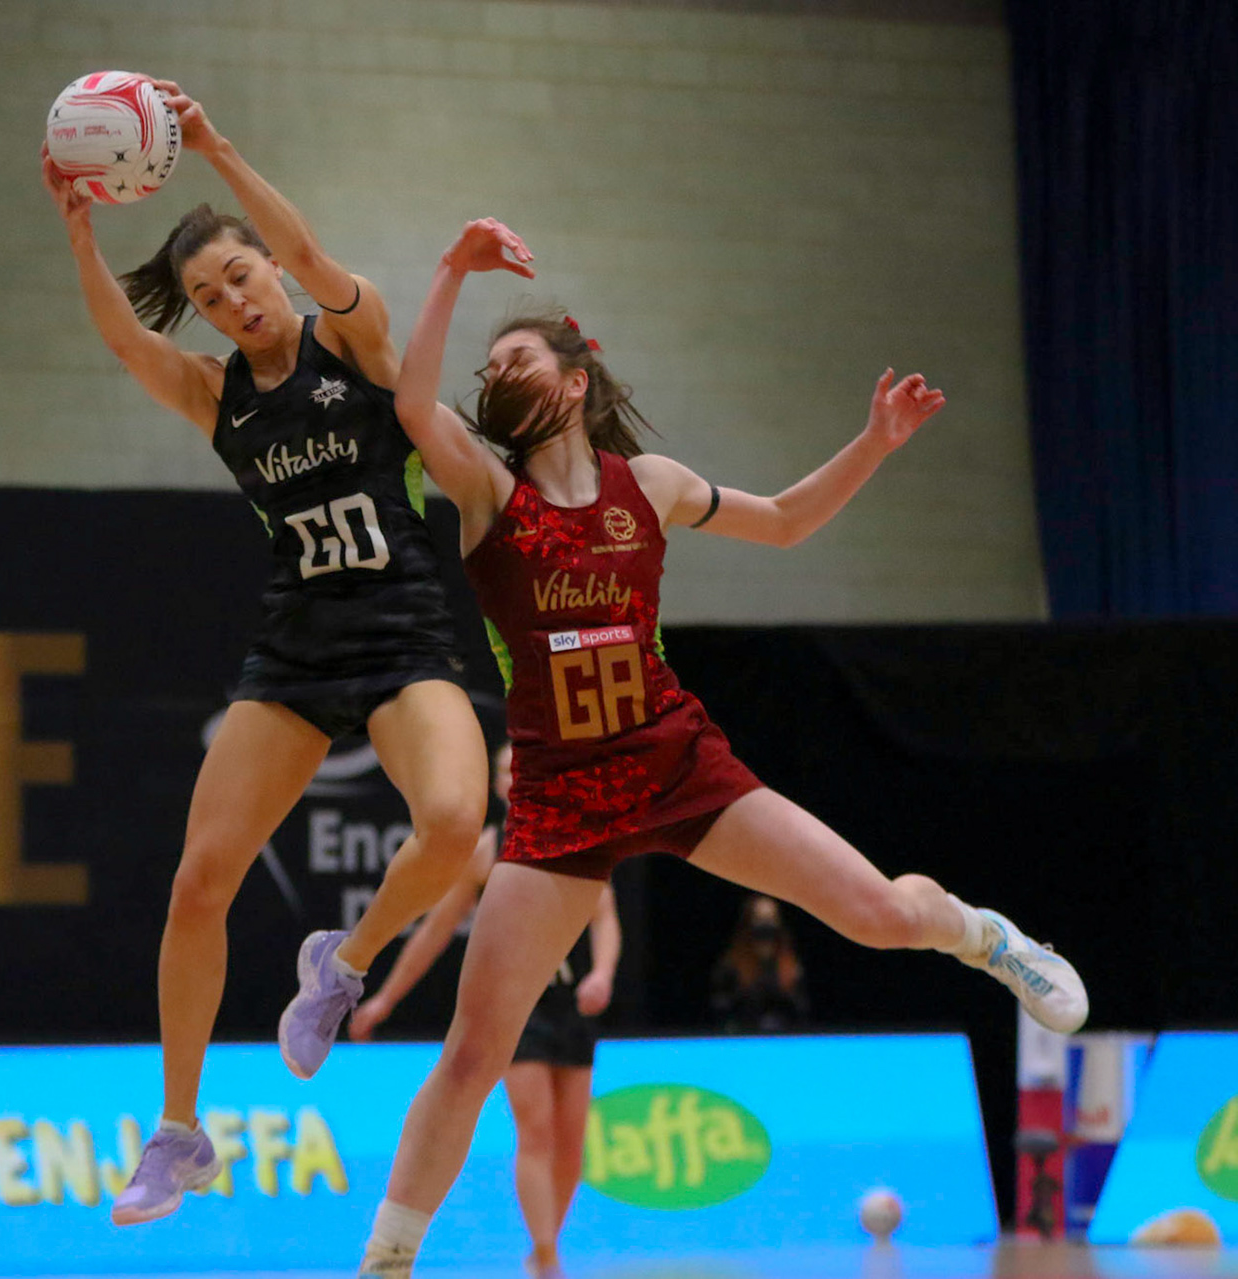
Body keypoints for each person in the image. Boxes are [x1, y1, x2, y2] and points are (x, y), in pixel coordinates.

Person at [352, 218, 1089, 1277]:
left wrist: (874, 446)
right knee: (473, 1050)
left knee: (881, 914)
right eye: (489, 366)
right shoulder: (487, 492)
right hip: (561, 795)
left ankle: (984, 935)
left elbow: (785, 521)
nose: (495, 375)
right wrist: (449, 274)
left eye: (515, 358)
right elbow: (416, 407)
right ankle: (386, 1257)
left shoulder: (644, 485)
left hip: (676, 761)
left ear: (574, 370)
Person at [39, 80, 487, 1226]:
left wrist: (216, 149)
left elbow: (307, 243)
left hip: (402, 631)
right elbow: (120, 337)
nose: (229, 299)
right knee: (199, 882)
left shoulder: (356, 333)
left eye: (238, 276)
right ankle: (179, 1133)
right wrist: (79, 226)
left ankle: (342, 965)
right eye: (205, 294)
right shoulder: (215, 395)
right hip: (295, 647)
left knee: (451, 824)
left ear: (271, 272)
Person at [350, 741, 619, 1279]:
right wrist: (383, 1000)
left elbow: (605, 917)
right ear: (498, 785)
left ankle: (546, 1246)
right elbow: (433, 933)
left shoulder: (581, 838)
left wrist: (603, 973)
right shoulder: (485, 853)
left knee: (571, 1147)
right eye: (504, 769)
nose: (514, 775)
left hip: (571, 1004)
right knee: (536, 1131)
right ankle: (547, 1258)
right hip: (517, 1004)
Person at [710, 893, 811, 1032]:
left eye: (770, 919)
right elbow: (722, 1013)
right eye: (759, 919)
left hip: (784, 1040)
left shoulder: (791, 968)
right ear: (748, 923)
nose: (765, 926)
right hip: (741, 1040)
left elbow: (801, 1013)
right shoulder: (730, 968)